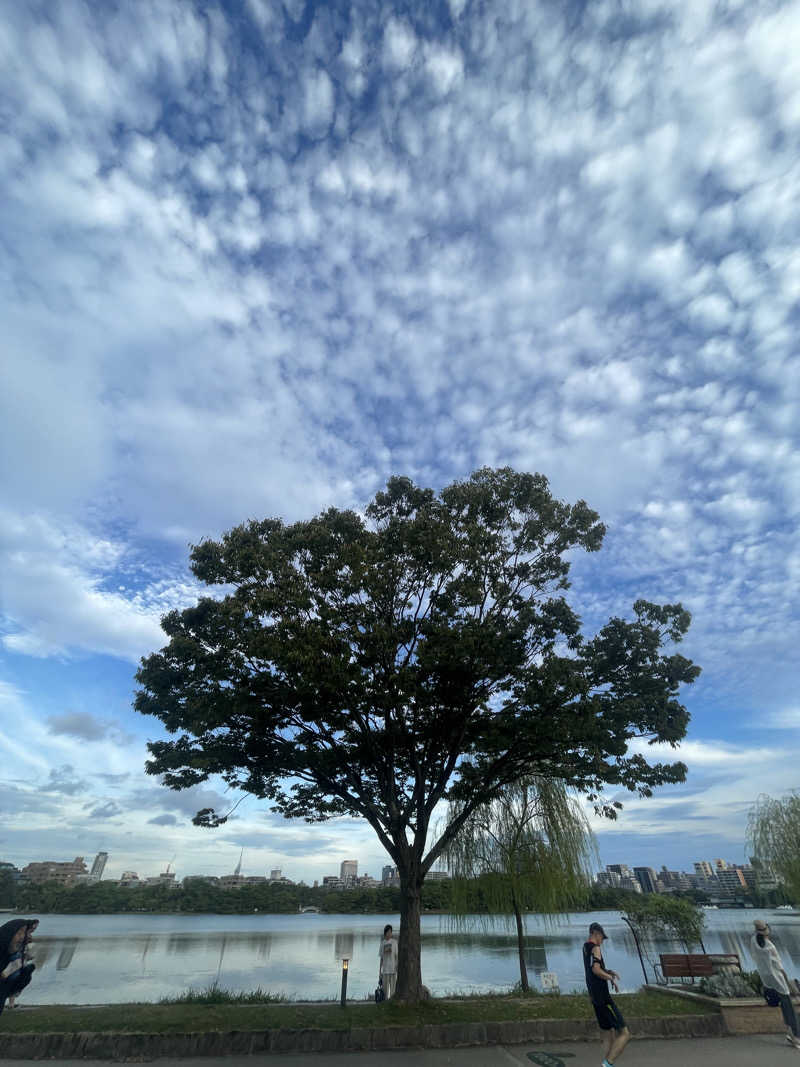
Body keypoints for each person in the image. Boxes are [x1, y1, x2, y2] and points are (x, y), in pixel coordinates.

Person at [583, 922, 630, 1067]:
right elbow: (596, 970)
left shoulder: (585, 947)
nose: (602, 941)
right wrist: (611, 979)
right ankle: (607, 1064)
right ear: (596, 933)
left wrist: (608, 971)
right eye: (602, 938)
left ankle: (607, 1063)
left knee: (608, 1033)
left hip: (595, 997)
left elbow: (592, 969)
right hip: (603, 998)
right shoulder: (595, 948)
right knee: (624, 1033)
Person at [751, 918, 800, 1049]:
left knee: (785, 1006)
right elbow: (779, 966)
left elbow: (755, 958)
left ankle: (791, 1033)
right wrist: (787, 980)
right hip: (778, 980)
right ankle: (796, 1036)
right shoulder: (770, 946)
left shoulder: (754, 941)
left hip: (766, 979)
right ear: (767, 931)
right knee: (788, 1007)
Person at [0, 920, 36, 1015]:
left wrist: (25, 976)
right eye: (19, 933)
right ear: (8, 934)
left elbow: (10, 990)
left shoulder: (12, 959)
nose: (22, 937)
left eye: (24, 933)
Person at [378, 923, 398, 999]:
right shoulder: (382, 943)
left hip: (393, 969)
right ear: (385, 933)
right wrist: (379, 971)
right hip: (385, 970)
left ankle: (392, 1001)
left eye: (390, 932)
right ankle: (385, 1002)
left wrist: (397, 966)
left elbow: (397, 956)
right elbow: (381, 958)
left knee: (393, 989)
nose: (389, 934)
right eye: (388, 932)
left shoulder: (394, 942)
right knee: (384, 989)